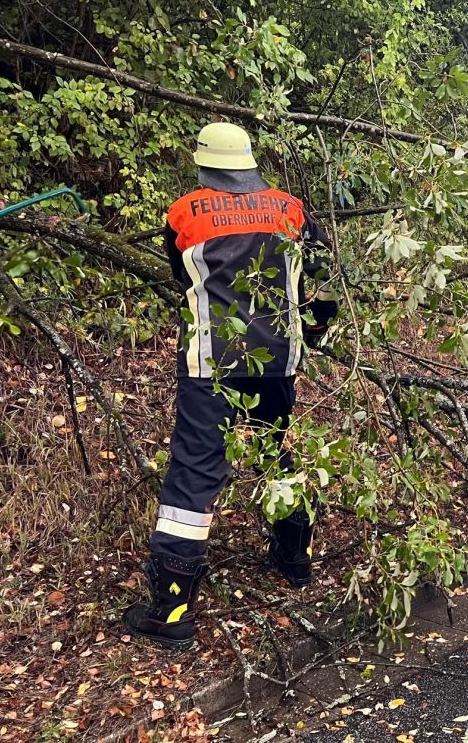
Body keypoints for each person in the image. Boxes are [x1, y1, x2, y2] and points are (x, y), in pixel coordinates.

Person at [123, 122, 338, 649]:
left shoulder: (183, 213)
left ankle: (172, 610)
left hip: (210, 365)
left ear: (203, 165)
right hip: (278, 360)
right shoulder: (292, 209)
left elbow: (181, 275)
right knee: (278, 453)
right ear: (248, 165)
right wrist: (311, 332)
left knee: (194, 478)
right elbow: (323, 280)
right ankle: (295, 559)